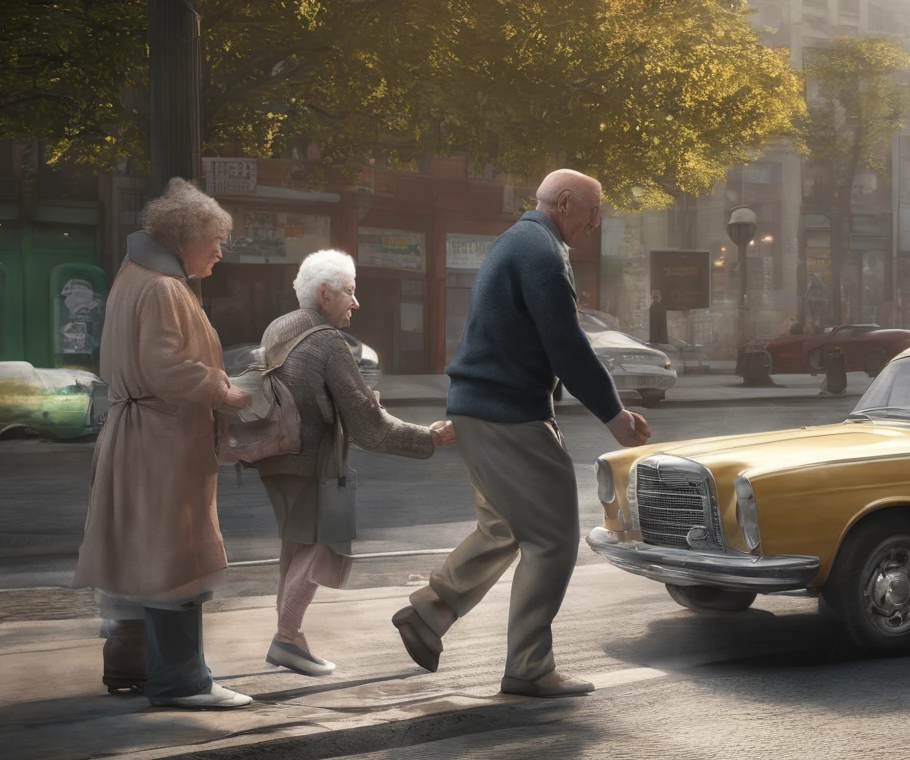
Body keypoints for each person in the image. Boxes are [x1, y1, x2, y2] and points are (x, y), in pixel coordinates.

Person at [391, 169, 651, 698]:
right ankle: (529, 667)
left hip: (480, 408)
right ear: (564, 202)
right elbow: (568, 346)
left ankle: (429, 614)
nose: (597, 223)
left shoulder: (522, 241)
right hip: (507, 414)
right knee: (553, 539)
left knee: (504, 528)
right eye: (593, 211)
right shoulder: (540, 250)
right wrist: (615, 416)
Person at [72, 178, 255, 708]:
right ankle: (182, 682)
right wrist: (226, 390)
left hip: (137, 435)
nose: (221, 250)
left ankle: (137, 666)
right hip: (162, 441)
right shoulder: (165, 288)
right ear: (187, 236)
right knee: (176, 557)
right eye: (215, 239)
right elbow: (167, 367)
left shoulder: (135, 277)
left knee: (142, 552)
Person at [254, 250, 456, 677]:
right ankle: (286, 638)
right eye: (350, 291)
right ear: (324, 293)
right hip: (313, 462)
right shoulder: (327, 341)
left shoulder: (279, 327)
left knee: (296, 548)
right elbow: (369, 425)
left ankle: (288, 637)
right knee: (323, 544)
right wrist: (429, 438)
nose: (356, 302)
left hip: (275, 457)